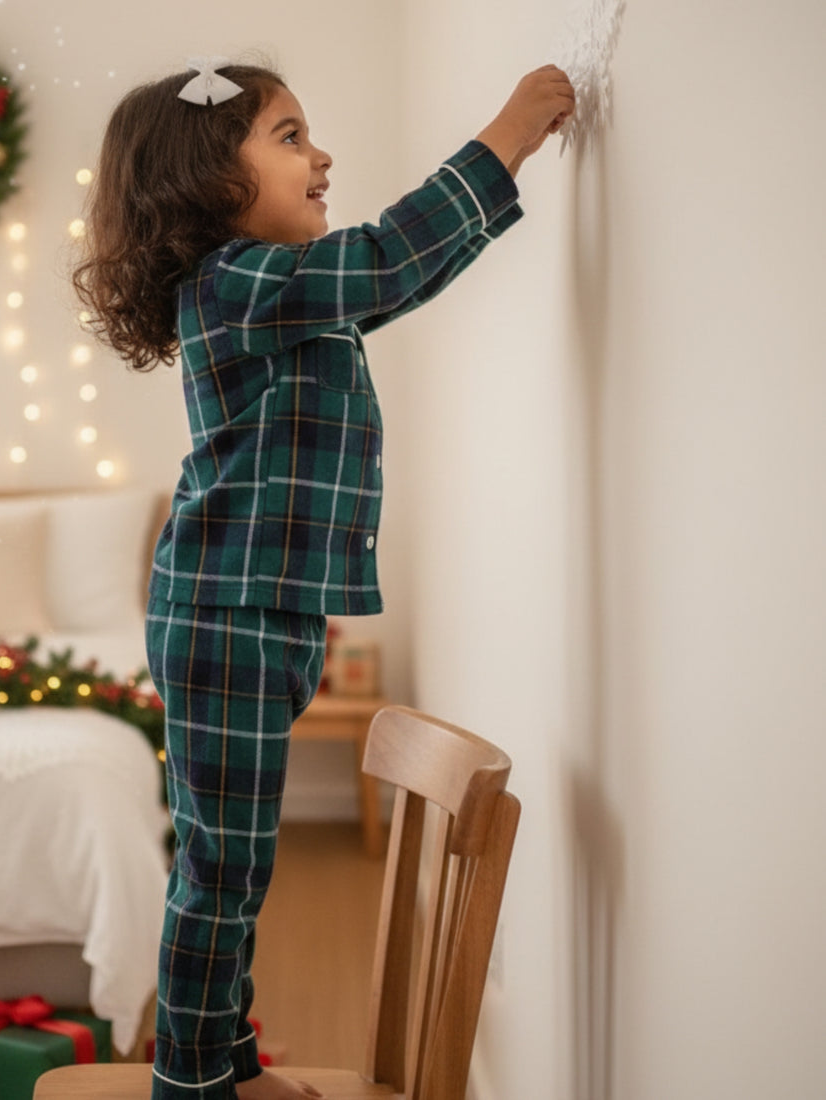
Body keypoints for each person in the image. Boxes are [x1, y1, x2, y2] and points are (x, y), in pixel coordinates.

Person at [73, 57, 574, 1100]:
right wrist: (505, 138)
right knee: (224, 867)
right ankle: (194, 1078)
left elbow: (401, 275)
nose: (322, 156)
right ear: (208, 177)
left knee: (234, 865)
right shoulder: (233, 283)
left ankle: (221, 1058)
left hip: (259, 611)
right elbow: (386, 259)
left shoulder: (285, 297)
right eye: (290, 137)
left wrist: (483, 208)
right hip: (225, 613)